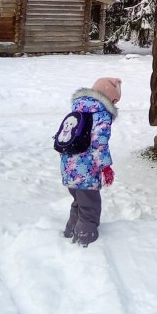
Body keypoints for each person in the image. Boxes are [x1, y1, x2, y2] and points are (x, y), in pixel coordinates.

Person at [61, 76, 121, 246]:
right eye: (115, 99)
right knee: (90, 208)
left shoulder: (78, 108)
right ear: (108, 96)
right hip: (85, 168)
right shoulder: (101, 114)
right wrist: (106, 166)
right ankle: (84, 242)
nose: (115, 103)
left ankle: (69, 234)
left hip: (68, 166)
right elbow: (99, 143)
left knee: (79, 203)